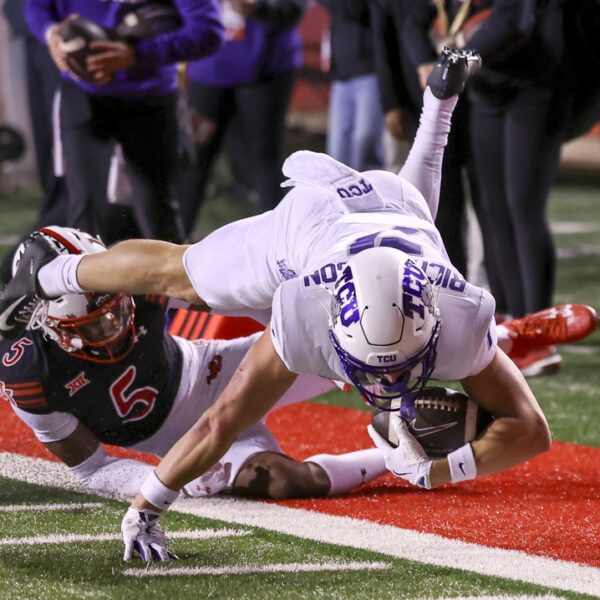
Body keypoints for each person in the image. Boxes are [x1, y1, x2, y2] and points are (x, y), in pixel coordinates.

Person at [0, 50, 597, 561]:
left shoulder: (458, 313)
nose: (384, 384)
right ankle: (57, 271)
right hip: (302, 234)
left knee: (408, 207)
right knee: (184, 275)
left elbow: (532, 432)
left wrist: (442, 469)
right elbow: (216, 421)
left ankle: (439, 111)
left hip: (384, 220)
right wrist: (149, 503)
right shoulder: (303, 310)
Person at [0, 227, 387, 524]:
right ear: (51, 326)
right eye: (96, 325)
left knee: (360, 346)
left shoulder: (132, 278)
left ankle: (430, 423)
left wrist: (298, 336)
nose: (116, 327)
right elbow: (93, 470)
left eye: (117, 310)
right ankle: (397, 456)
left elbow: (234, 289)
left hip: (214, 371)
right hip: (175, 440)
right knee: (286, 481)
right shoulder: (30, 373)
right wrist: (164, 481)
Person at [24, 0, 224, 245]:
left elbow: (209, 31)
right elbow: (37, 6)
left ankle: (171, 282)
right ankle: (87, 282)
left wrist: (137, 53)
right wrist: (50, 32)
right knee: (84, 211)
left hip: (151, 96)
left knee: (156, 212)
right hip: (82, 92)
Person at [455, 0, 577, 373]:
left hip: (535, 81)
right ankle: (515, 325)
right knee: (493, 208)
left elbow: (512, 18)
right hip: (488, 86)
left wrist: (462, 53)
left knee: (523, 206)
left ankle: (540, 334)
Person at [177, 0, 306, 233]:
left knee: (265, 158)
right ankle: (170, 247)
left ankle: (283, 245)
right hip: (208, 66)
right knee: (193, 158)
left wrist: (260, 8)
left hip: (267, 66)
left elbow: (295, 9)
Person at [316, 0, 384, 171]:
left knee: (365, 141)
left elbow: (353, 9)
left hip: (369, 72)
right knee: (337, 149)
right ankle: (340, 195)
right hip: (341, 75)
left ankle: (371, 194)